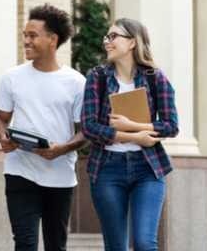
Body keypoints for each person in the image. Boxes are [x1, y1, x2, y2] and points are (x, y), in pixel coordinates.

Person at [0, 4, 88, 251]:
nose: (26, 41)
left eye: (32, 35)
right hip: (20, 172)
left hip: (60, 176)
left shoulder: (77, 82)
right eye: (25, 35)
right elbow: (1, 119)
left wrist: (62, 148)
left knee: (56, 245)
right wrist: (3, 138)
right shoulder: (11, 77)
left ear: (52, 40)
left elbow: (85, 131)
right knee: (24, 243)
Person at [81, 18, 178, 251]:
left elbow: (171, 125)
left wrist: (131, 125)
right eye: (107, 37)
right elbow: (89, 126)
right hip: (107, 169)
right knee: (116, 246)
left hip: (148, 168)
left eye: (113, 36)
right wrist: (136, 137)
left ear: (132, 42)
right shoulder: (98, 77)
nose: (107, 41)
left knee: (145, 242)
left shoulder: (155, 77)